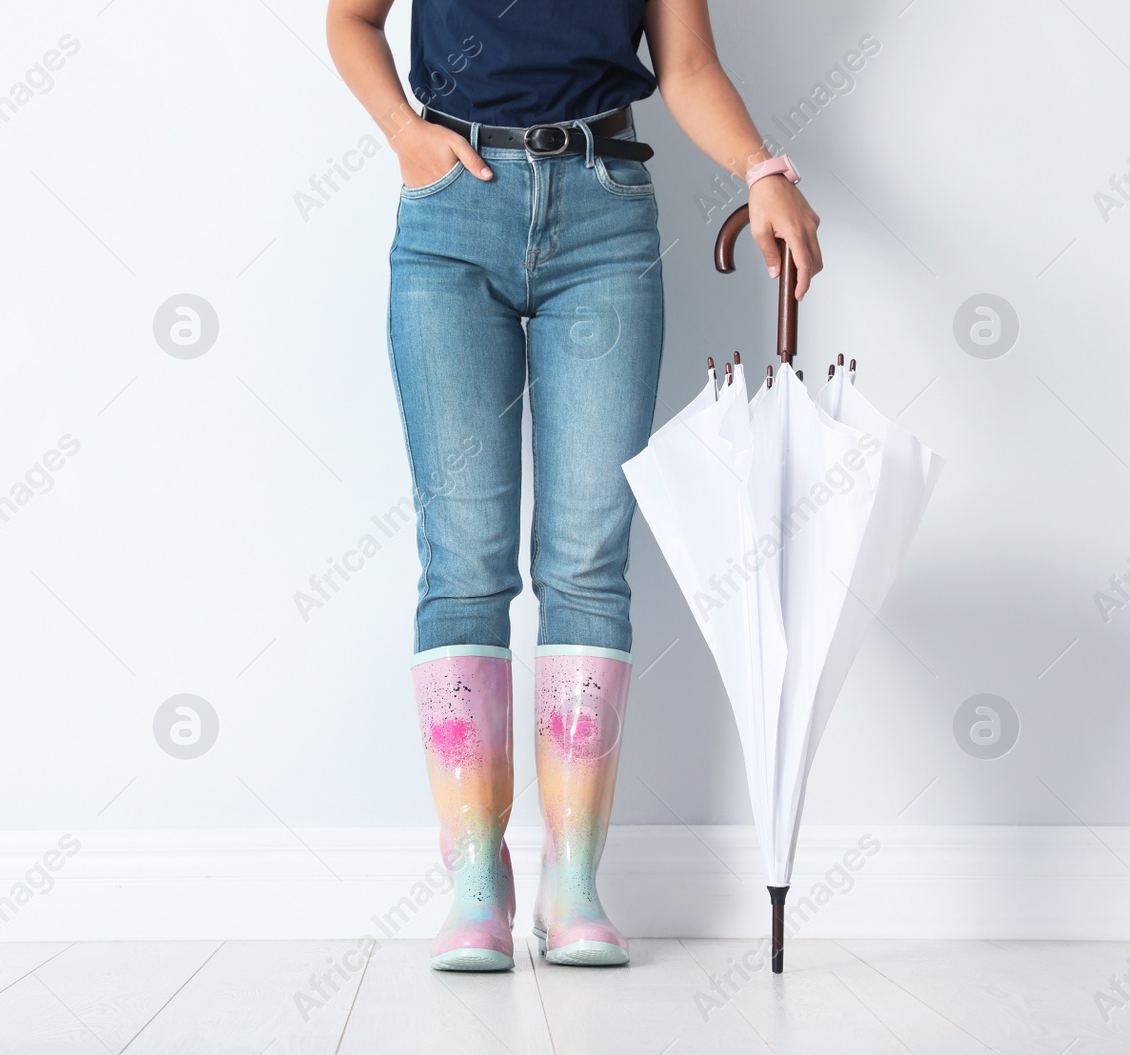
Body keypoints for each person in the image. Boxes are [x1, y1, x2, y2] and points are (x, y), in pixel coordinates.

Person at [326, 0, 823, 971]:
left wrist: (762, 171)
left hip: (605, 218)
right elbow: (352, 20)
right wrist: (405, 137)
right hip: (448, 213)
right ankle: (475, 879)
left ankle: (572, 882)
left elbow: (685, 67)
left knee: (588, 557)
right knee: (462, 558)